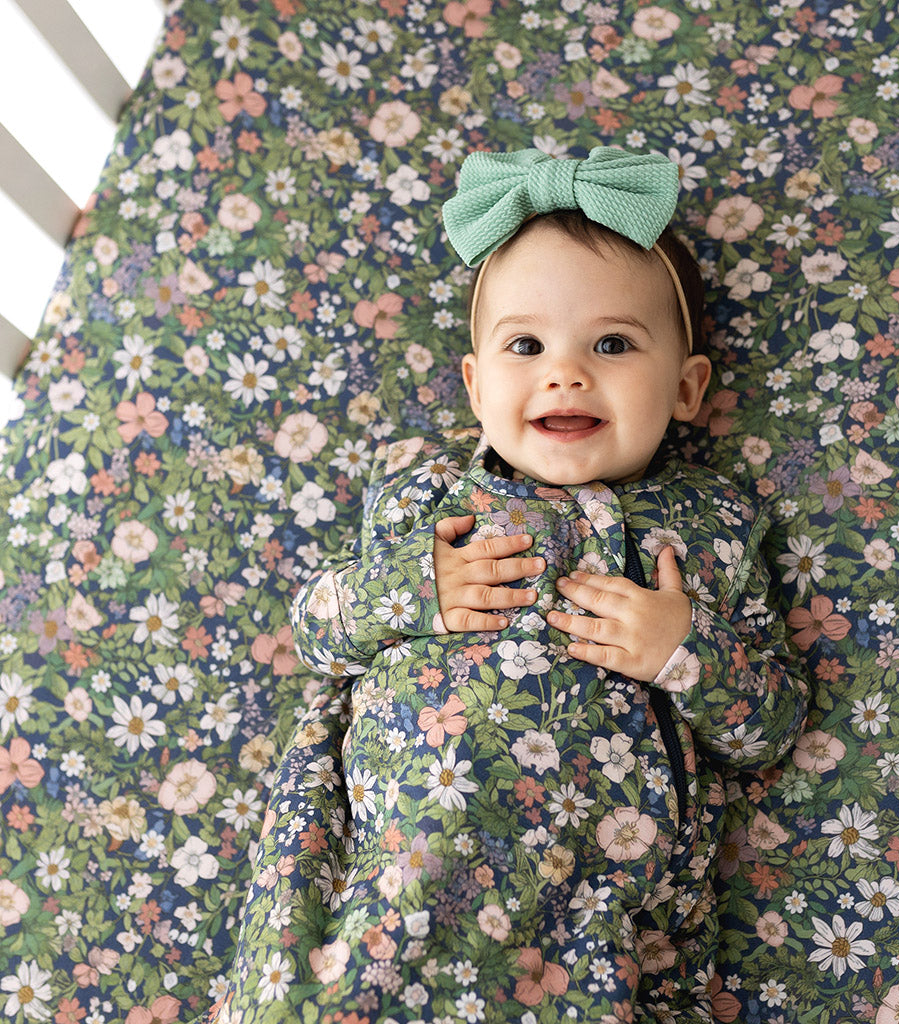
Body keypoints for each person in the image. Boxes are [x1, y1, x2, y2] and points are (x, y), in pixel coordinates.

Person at [209, 148, 808, 1024]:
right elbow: (317, 632)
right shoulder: (425, 496)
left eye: (612, 344)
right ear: (476, 383)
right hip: (390, 874)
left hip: (587, 913)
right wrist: (413, 589)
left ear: (686, 388)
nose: (565, 372)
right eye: (525, 345)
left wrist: (687, 650)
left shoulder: (710, 525)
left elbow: (772, 727)